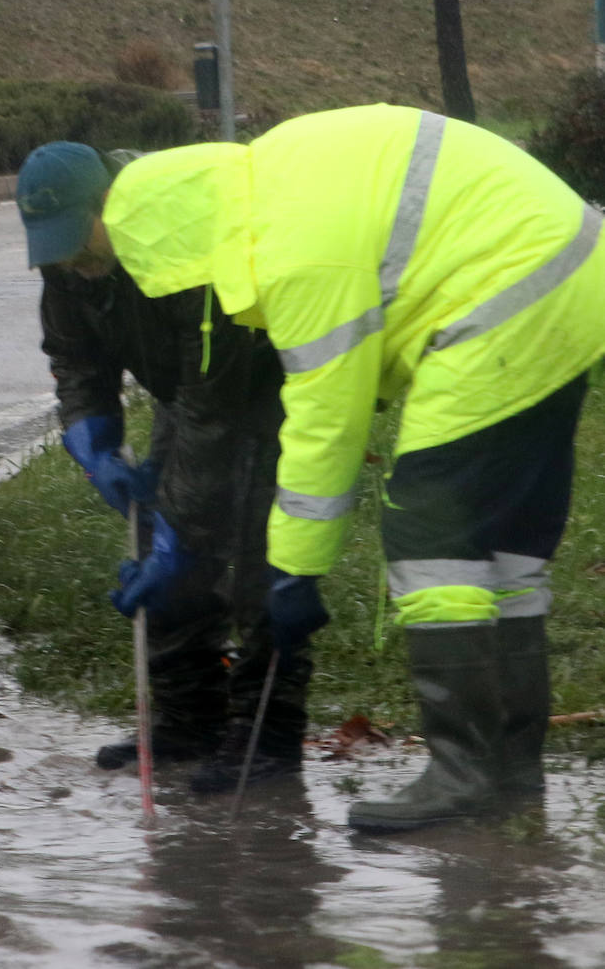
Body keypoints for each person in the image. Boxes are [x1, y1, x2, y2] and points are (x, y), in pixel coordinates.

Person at [99, 104, 605, 831]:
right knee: (507, 557)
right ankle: (512, 772)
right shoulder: (276, 178)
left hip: (502, 302)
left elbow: (325, 419)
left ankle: (464, 774)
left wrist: (292, 574)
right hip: (572, 278)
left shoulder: (291, 249)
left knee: (434, 535)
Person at [15, 140, 305, 792]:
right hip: (189, 396)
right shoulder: (65, 268)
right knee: (161, 544)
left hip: (260, 384)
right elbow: (74, 359)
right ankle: (188, 718)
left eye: (77, 243)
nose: (68, 261)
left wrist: (186, 526)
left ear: (108, 203)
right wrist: (90, 434)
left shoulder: (175, 243)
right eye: (53, 247)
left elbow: (214, 407)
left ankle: (269, 735)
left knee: (260, 551)